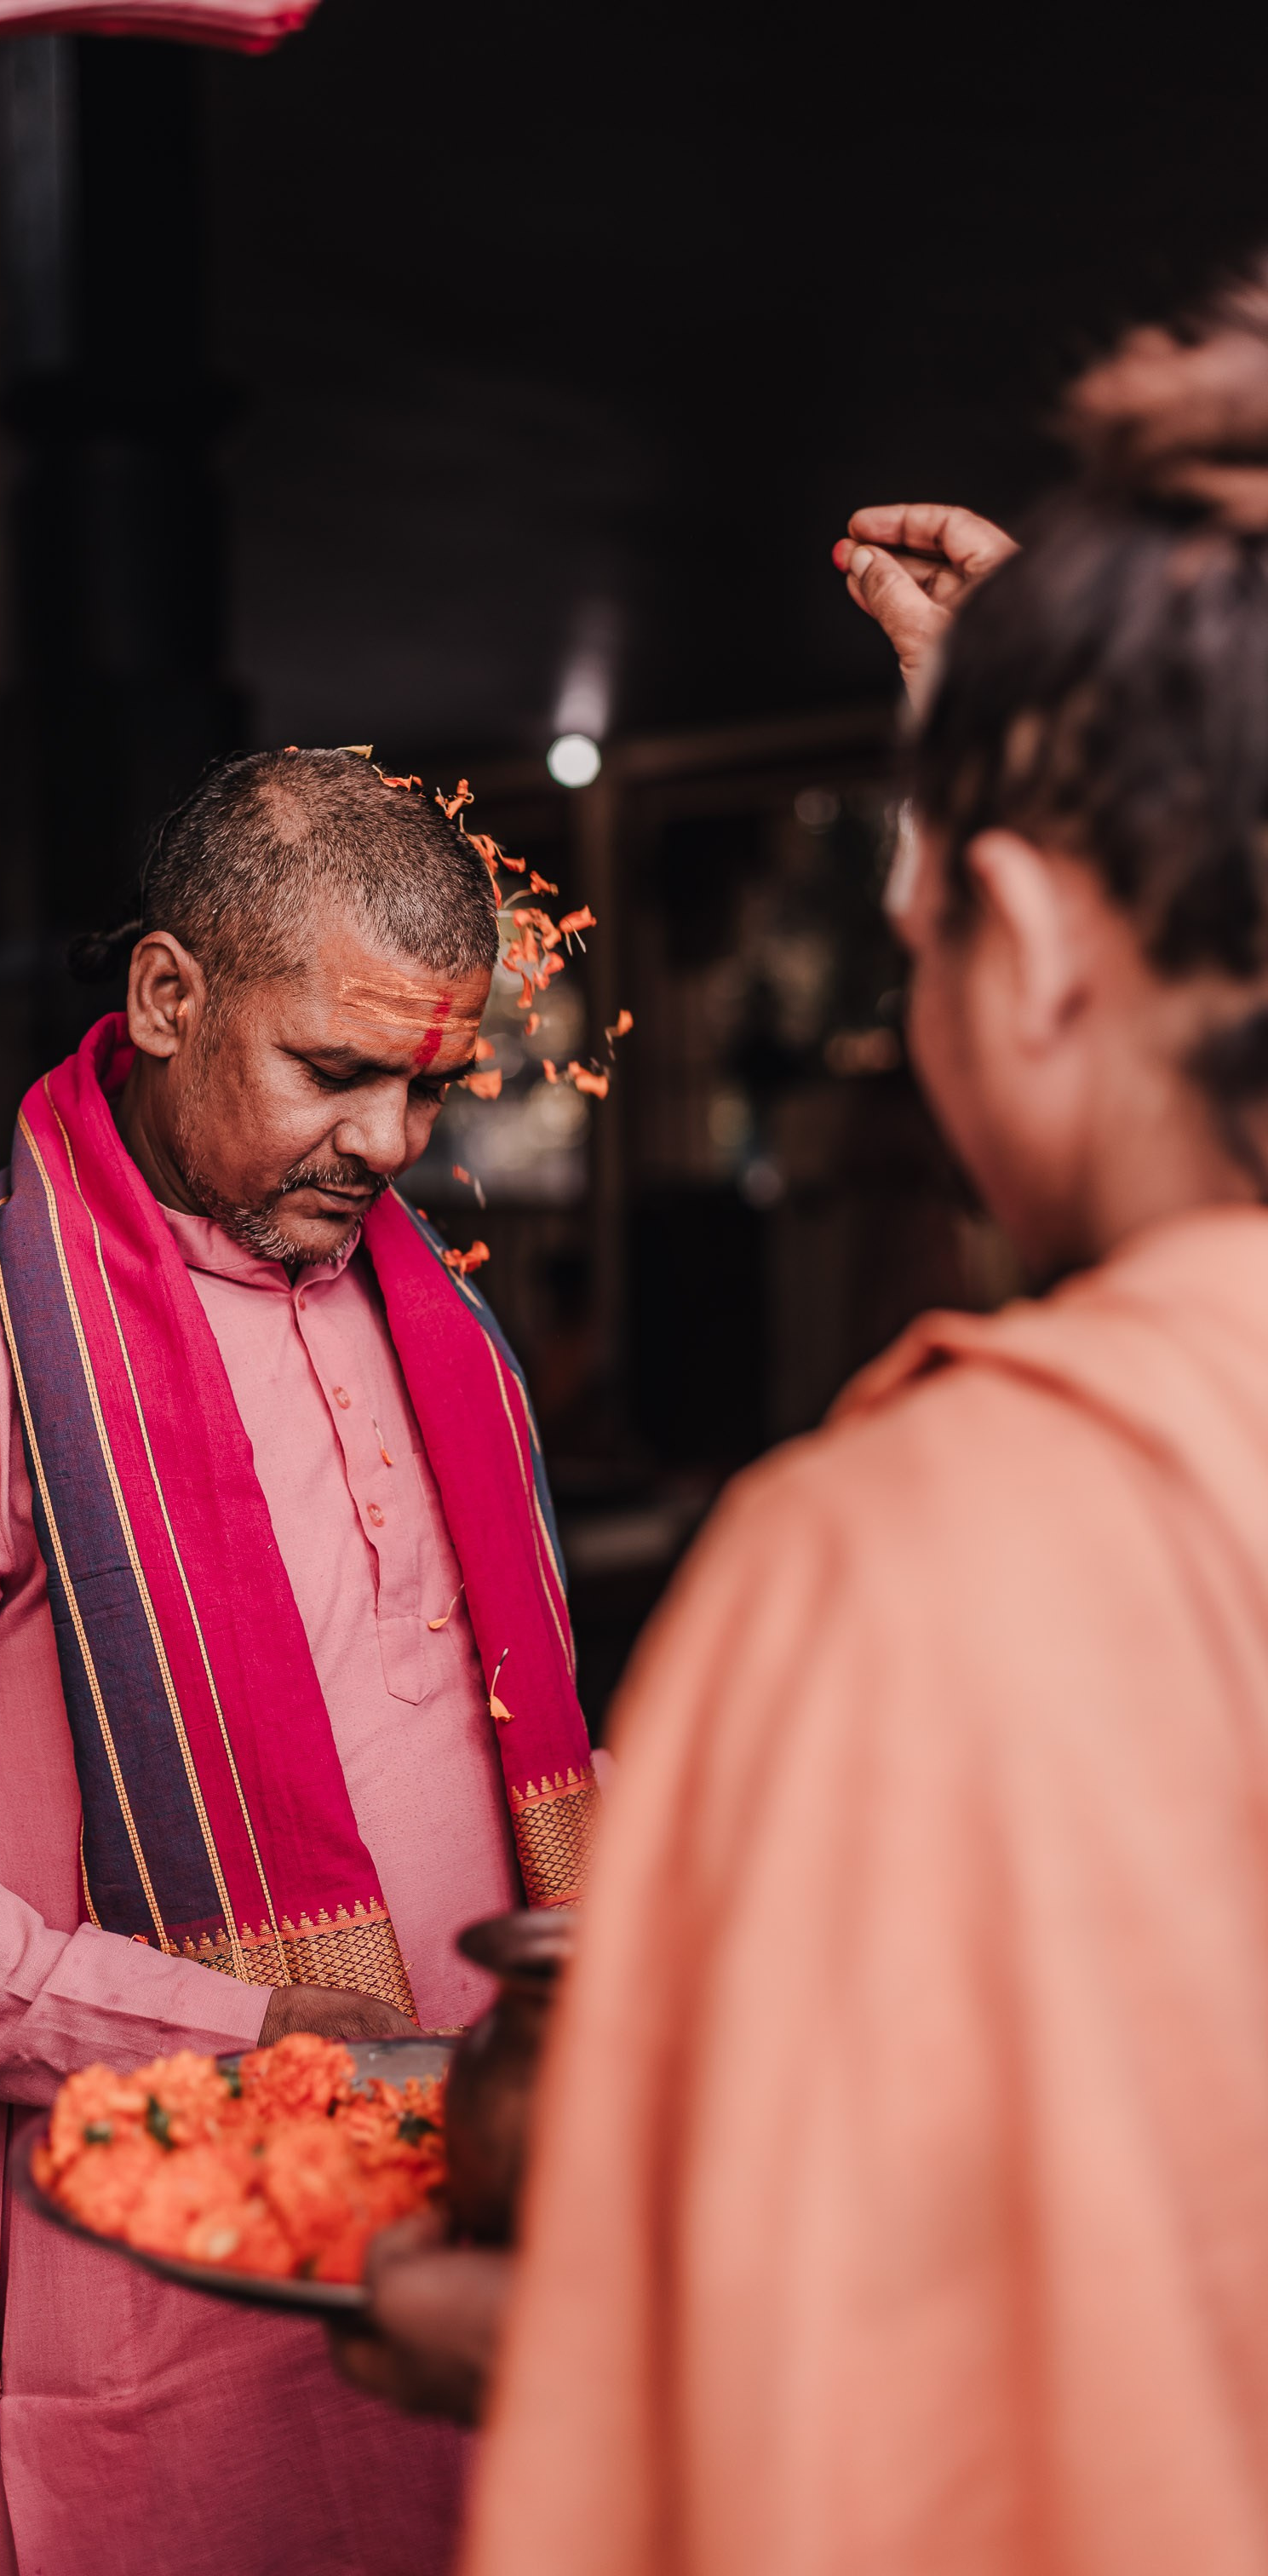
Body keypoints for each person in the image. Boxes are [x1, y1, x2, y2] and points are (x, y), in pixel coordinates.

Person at [367, 265, 1268, 2572]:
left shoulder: (893, 1559)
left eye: (918, 937)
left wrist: (568, 2363)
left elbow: (809, 2409)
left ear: (1034, 948)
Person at [0, 749, 599, 2576]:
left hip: (471, 2288)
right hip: (147, 2318)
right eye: (334, 1074)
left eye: (426, 1086)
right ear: (170, 998)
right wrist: (227, 2032)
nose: (393, 1146)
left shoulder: (450, 1330)